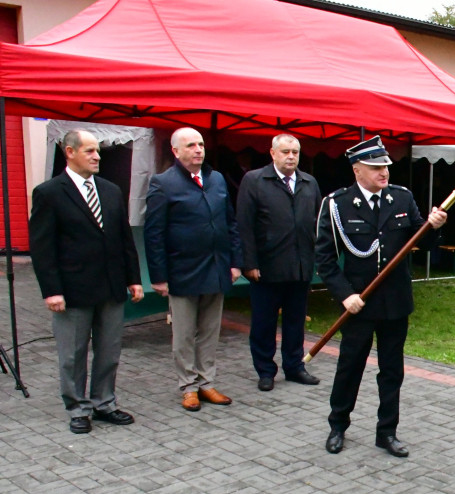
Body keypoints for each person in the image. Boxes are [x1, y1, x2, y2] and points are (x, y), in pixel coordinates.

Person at [315, 136, 446, 456]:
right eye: (375, 167)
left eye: (385, 166)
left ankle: (386, 432)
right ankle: (337, 425)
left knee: (392, 370)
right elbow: (325, 259)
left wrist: (434, 227)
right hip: (359, 303)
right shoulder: (337, 204)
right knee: (350, 366)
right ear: (357, 170)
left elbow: (424, 243)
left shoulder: (401, 198)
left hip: (395, 302)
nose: (384, 172)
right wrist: (345, 296)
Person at [28, 130, 143, 434]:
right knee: (73, 353)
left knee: (109, 350)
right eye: (90, 151)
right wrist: (51, 290)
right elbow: (42, 247)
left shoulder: (110, 190)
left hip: (110, 285)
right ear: (69, 152)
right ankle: (78, 407)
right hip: (73, 289)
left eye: (98, 151)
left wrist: (134, 279)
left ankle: (105, 403)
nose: (97, 157)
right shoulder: (49, 192)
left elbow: (124, 239)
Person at [144, 127, 242, 412]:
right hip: (182, 271)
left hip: (216, 268)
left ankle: (206, 382)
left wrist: (235, 261)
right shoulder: (163, 183)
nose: (198, 149)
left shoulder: (217, 179)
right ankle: (188, 386)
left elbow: (230, 223)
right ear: (176, 151)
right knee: (185, 333)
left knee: (210, 331)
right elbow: (154, 233)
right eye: (191, 145)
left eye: (200, 144)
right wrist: (159, 276)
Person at [236, 134, 323, 392]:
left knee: (295, 321)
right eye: (285, 151)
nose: (291, 156)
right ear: (272, 153)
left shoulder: (309, 182)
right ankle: (265, 371)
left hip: (300, 266)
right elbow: (244, 225)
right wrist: (249, 263)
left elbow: (318, 223)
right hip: (266, 267)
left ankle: (295, 366)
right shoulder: (254, 180)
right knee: (264, 322)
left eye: (295, 152)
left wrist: (315, 258)